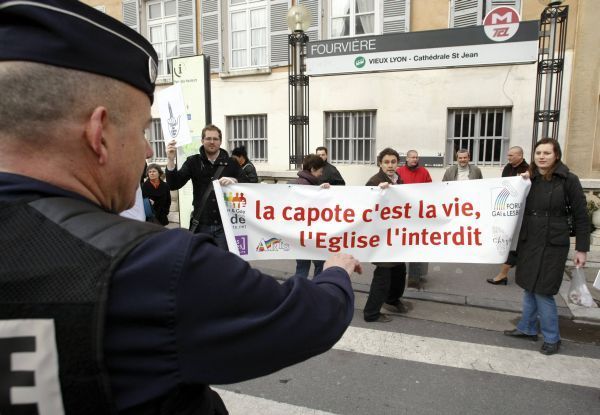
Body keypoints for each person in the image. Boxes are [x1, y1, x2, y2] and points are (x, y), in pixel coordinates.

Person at [0, 1, 363, 413]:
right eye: (141, 130)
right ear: (98, 134)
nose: (146, 148)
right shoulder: (156, 267)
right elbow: (304, 320)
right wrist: (335, 271)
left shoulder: (225, 168)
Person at [504, 138, 589, 355]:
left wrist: (582, 249)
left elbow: (581, 216)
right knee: (529, 287)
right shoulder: (529, 178)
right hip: (530, 241)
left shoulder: (568, 179)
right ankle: (527, 328)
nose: (541, 156)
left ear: (556, 156)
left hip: (553, 244)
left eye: (547, 153)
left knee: (543, 291)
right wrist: (520, 182)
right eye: (538, 153)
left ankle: (552, 337)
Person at [165, 125, 243, 250]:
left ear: (220, 141)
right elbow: (174, 184)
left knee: (222, 265)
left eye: (215, 139)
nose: (212, 142)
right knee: (201, 266)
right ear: (202, 141)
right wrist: (170, 160)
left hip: (226, 226)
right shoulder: (193, 162)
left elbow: (250, 183)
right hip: (201, 225)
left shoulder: (232, 163)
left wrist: (235, 181)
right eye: (208, 138)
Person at [363, 148, 408, 322]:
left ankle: (392, 300)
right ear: (380, 164)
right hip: (381, 238)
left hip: (396, 235)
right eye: (386, 162)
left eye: (393, 162)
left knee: (399, 270)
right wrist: (378, 193)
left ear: (398, 163)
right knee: (383, 274)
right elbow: (368, 208)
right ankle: (371, 313)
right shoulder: (375, 181)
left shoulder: (398, 180)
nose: (390, 165)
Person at [487, 146, 529, 285]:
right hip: (506, 209)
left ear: (520, 155)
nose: (508, 157)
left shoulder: (527, 170)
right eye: (508, 155)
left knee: (513, 242)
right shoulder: (507, 168)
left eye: (511, 155)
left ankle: (502, 274)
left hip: (520, 211)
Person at [396, 150, 432, 289]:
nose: (415, 159)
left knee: (416, 246)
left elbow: (430, 189)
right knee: (401, 246)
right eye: (412, 157)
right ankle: (400, 276)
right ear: (407, 158)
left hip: (419, 215)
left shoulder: (424, 172)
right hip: (403, 215)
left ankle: (414, 279)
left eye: (417, 157)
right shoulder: (399, 171)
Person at [292, 154, 330, 278]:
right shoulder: (307, 186)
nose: (321, 174)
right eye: (320, 171)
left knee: (302, 267)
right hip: (310, 235)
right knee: (320, 263)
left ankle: (298, 293)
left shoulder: (296, 183)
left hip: (299, 234)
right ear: (313, 169)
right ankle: (316, 290)